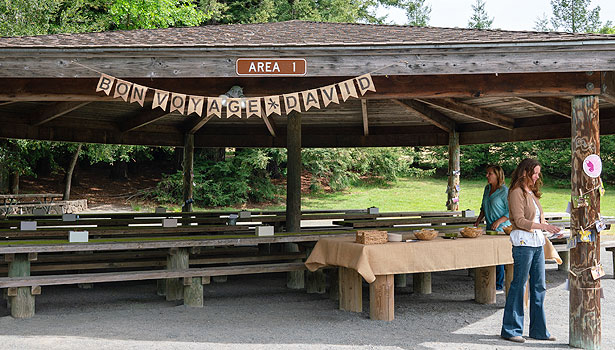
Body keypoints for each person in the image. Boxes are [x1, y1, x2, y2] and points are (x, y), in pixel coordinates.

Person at [500, 158, 560, 343]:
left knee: (539, 286)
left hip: (537, 244)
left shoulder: (531, 192)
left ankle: (539, 330)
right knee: (519, 285)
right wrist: (543, 226)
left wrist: (547, 227)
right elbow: (518, 221)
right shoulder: (515, 192)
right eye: (534, 172)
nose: (537, 176)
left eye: (538, 173)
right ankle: (511, 329)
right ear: (524, 172)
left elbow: (534, 218)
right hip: (523, 244)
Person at [474, 165, 511, 292]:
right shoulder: (487, 188)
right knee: (489, 254)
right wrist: (478, 220)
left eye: (490, 174)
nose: (487, 176)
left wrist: (499, 221)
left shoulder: (504, 191)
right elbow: (483, 206)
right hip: (489, 227)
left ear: (498, 175)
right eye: (487, 173)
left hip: (501, 228)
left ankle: (499, 285)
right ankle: (489, 281)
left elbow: (510, 211)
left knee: (498, 256)